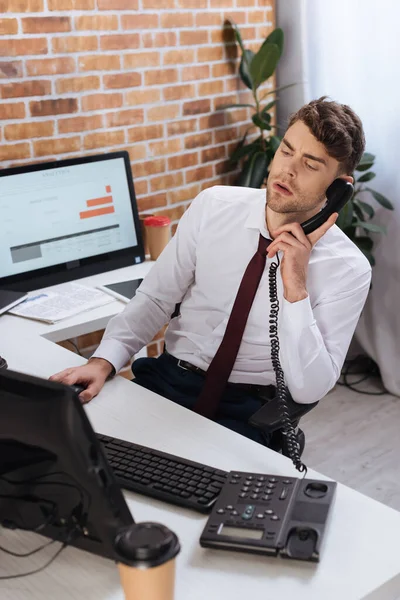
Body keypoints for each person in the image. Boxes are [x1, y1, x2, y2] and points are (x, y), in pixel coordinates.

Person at [50, 96, 372, 446]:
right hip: (170, 381)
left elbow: (310, 387)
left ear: (340, 186)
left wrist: (295, 287)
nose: (287, 171)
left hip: (249, 410)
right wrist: (103, 360)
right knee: (81, 460)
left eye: (310, 165)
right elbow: (156, 298)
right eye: (286, 151)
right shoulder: (213, 206)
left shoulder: (348, 269)